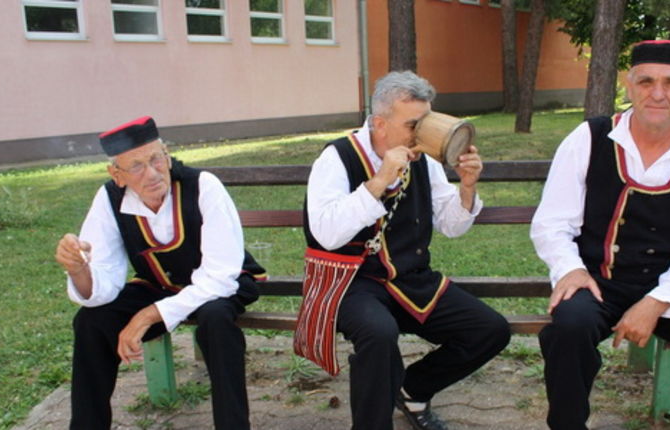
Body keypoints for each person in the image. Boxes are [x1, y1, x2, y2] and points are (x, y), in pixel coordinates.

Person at [530, 40, 670, 429]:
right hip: (597, 281)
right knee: (569, 328)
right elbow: (553, 222)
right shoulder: (588, 139)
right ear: (629, 85)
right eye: (646, 81)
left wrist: (656, 302)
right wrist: (570, 269)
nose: (657, 93)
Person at [303, 71, 511, 430]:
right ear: (380, 123)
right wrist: (380, 180)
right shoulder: (338, 158)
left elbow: (452, 226)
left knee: (490, 330)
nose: (425, 131)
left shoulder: (425, 161)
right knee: (379, 335)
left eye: (428, 120)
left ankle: (412, 390)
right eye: (415, 124)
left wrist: (467, 187)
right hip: (352, 281)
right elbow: (326, 234)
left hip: (410, 280)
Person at [54, 116, 263, 430]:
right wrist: (79, 269)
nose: (152, 173)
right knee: (90, 322)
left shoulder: (203, 186)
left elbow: (220, 275)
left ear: (166, 155)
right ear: (117, 174)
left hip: (221, 286)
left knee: (216, 321)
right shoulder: (110, 199)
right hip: (160, 286)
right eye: (136, 166)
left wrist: (146, 316)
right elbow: (104, 278)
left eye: (156, 159)